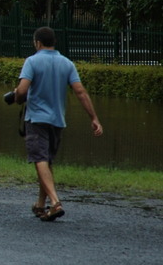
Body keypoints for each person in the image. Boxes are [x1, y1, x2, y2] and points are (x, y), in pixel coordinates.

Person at [11, 26, 103, 221]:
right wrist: (93, 118)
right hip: (57, 120)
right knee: (46, 161)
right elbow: (80, 92)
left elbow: (22, 90)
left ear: (37, 43)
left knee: (39, 160)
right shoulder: (67, 63)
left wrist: (17, 96)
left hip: (36, 119)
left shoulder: (32, 61)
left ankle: (55, 202)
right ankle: (39, 204)